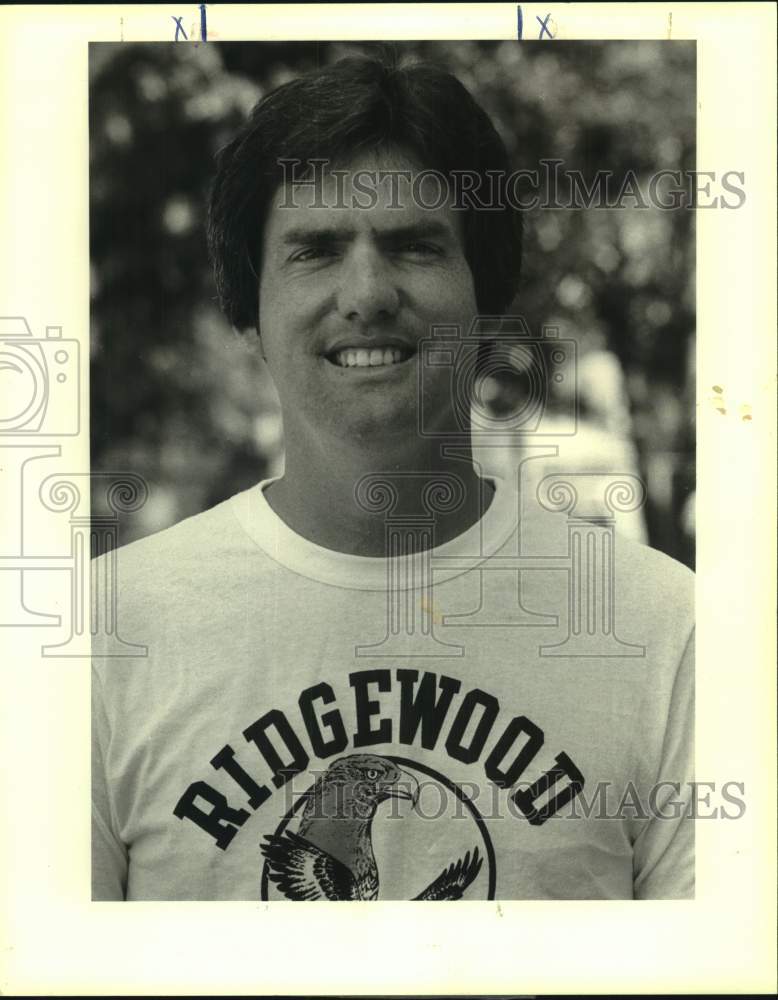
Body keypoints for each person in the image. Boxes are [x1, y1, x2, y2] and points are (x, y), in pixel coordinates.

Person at [91, 52, 695, 901]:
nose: (367, 292)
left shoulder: (667, 634)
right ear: (250, 313)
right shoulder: (100, 637)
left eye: (414, 246)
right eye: (316, 251)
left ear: (485, 303)